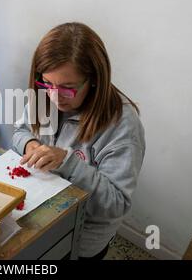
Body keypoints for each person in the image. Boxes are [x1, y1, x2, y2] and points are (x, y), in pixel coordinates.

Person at [12, 22, 146, 259]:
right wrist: (30, 145)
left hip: (82, 238)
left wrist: (67, 162)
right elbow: (20, 131)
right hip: (39, 212)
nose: (55, 96)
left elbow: (116, 205)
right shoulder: (46, 96)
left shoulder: (123, 125)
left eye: (68, 88)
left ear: (93, 79)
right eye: (47, 84)